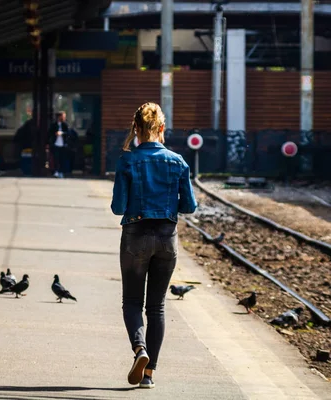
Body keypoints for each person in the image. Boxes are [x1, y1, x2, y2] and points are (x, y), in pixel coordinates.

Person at [111, 102, 197, 389]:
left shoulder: (127, 160)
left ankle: (140, 350)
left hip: (135, 236)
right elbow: (190, 206)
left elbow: (117, 207)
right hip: (166, 239)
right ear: (162, 128)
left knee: (132, 302)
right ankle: (149, 376)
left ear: (136, 128)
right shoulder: (178, 161)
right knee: (157, 307)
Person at [47, 111, 69, 178]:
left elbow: (68, 133)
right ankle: (56, 171)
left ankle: (61, 172)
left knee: (62, 159)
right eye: (63, 116)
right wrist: (55, 134)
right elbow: (49, 133)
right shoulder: (53, 125)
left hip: (63, 144)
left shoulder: (65, 125)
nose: (64, 117)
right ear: (59, 117)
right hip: (55, 144)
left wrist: (62, 133)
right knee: (56, 158)